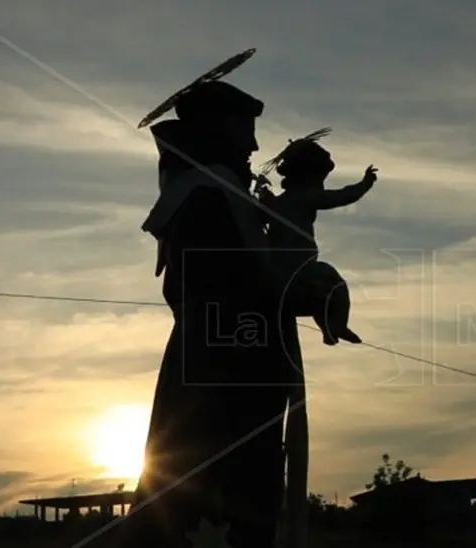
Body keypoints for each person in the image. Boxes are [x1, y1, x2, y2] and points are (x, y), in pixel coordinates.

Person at [119, 49, 301, 548]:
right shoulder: (204, 200)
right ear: (219, 130)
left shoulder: (212, 196)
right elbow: (227, 288)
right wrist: (297, 290)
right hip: (220, 385)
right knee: (210, 510)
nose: (256, 145)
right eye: (246, 131)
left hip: (227, 375)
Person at [255, 128, 379, 346]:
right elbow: (342, 196)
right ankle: (336, 325)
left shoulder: (279, 202)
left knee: (321, 293)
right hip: (296, 267)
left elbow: (263, 211)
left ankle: (328, 328)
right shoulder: (305, 197)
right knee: (334, 285)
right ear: (309, 176)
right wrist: (365, 184)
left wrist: (263, 194)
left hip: (278, 268)